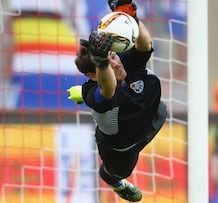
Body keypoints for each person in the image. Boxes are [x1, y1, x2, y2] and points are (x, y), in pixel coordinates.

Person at [67, 0, 167, 201]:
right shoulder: (95, 90)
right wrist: (101, 61)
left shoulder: (122, 61)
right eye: (107, 62)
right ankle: (112, 179)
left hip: (152, 114)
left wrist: (128, 14)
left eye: (113, 55)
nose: (115, 62)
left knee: (162, 111)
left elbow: (145, 44)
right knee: (117, 173)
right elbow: (108, 89)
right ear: (93, 75)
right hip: (120, 149)